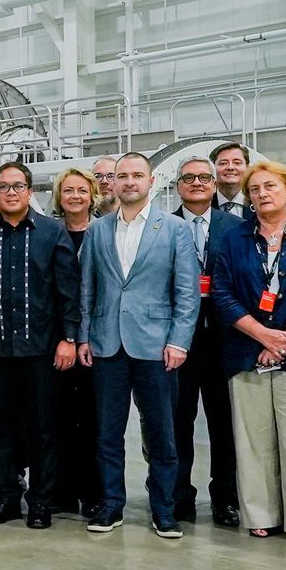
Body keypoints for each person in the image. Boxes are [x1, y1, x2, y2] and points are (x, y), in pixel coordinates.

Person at [208, 160, 286, 544]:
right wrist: (263, 335)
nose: (262, 194)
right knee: (253, 441)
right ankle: (260, 514)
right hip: (247, 352)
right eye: (255, 189)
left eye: (270, 187)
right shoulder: (234, 238)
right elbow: (222, 293)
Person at [77, 152, 198, 539]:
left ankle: (163, 508)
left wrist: (179, 340)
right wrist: (84, 334)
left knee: (162, 434)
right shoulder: (98, 230)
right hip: (107, 343)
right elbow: (88, 288)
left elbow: (186, 291)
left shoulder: (175, 228)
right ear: (112, 182)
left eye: (136, 175)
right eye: (121, 176)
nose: (128, 182)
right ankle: (112, 505)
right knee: (107, 433)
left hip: (157, 346)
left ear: (151, 182)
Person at [0, 161, 79, 529]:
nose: (11, 192)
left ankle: (40, 501)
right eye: (3, 187)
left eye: (18, 186)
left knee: (43, 429)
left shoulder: (53, 232)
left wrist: (68, 338)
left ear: (30, 191)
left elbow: (67, 292)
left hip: (42, 350)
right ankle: (6, 498)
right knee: (0, 428)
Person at [171, 156, 241, 528]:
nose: (196, 183)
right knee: (177, 421)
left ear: (214, 184)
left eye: (203, 178)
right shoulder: (163, 226)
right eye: (188, 178)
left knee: (223, 423)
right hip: (178, 342)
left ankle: (226, 498)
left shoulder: (236, 227)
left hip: (224, 339)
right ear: (178, 185)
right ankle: (179, 494)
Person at [49, 169, 102, 516]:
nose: (75, 197)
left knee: (95, 418)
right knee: (58, 417)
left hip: (97, 339)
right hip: (57, 338)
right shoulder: (49, 233)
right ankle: (62, 490)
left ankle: (95, 491)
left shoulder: (106, 231)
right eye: (68, 190)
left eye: (82, 190)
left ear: (92, 195)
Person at [212, 142, 251, 216]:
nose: (230, 167)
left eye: (237, 163)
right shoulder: (203, 205)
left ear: (248, 168)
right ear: (212, 169)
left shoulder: (257, 202)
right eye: (223, 163)